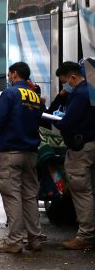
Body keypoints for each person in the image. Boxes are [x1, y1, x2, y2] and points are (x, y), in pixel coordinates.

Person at [0, 62, 45, 253]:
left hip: (11, 151)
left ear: (14, 74)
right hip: (31, 152)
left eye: (9, 74)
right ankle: (35, 239)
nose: (8, 77)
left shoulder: (10, 93)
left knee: (12, 196)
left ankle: (14, 241)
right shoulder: (35, 95)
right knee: (30, 196)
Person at [53, 61, 95, 250]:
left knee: (80, 190)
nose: (65, 86)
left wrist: (58, 120)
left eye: (64, 82)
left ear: (72, 77)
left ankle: (86, 235)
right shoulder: (91, 90)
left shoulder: (81, 93)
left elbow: (68, 123)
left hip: (81, 148)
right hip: (90, 144)